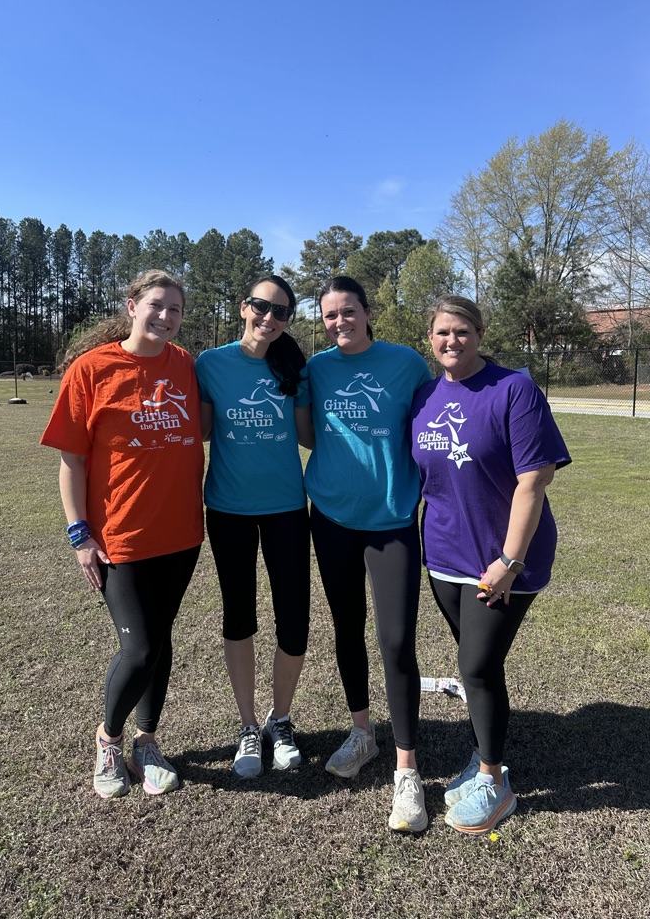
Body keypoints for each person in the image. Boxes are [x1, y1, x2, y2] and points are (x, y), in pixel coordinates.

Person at [40, 270, 204, 799]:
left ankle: (146, 740)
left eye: (175, 309)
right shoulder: (92, 369)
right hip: (119, 538)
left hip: (181, 534)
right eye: (156, 305)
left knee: (162, 641)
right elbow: (71, 460)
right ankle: (109, 739)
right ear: (131, 306)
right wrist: (78, 535)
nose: (165, 316)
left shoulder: (184, 365)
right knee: (141, 646)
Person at [411, 295, 571, 835]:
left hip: (503, 560)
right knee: (477, 663)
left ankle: (493, 781)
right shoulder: (425, 396)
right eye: (441, 333)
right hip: (444, 555)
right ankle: (482, 754)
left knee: (475, 666)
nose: (450, 341)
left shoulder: (513, 389)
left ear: (479, 335)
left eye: (461, 331)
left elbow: (536, 479)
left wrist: (508, 559)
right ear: (429, 339)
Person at [304, 276, 433, 833]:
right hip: (330, 516)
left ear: (367, 311)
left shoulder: (406, 364)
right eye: (330, 315)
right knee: (346, 628)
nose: (339, 323)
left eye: (347, 312)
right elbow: (311, 433)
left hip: (394, 520)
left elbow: (425, 430)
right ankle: (363, 733)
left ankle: (408, 771)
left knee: (397, 640)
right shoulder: (317, 368)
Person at [196, 275, 313, 779]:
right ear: (244, 307)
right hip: (228, 509)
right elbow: (197, 430)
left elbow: (311, 434)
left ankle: (279, 720)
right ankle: (248, 726)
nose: (269, 318)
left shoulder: (294, 366)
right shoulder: (210, 363)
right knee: (239, 616)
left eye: (281, 312)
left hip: (287, 507)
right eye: (261, 307)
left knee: (294, 620)